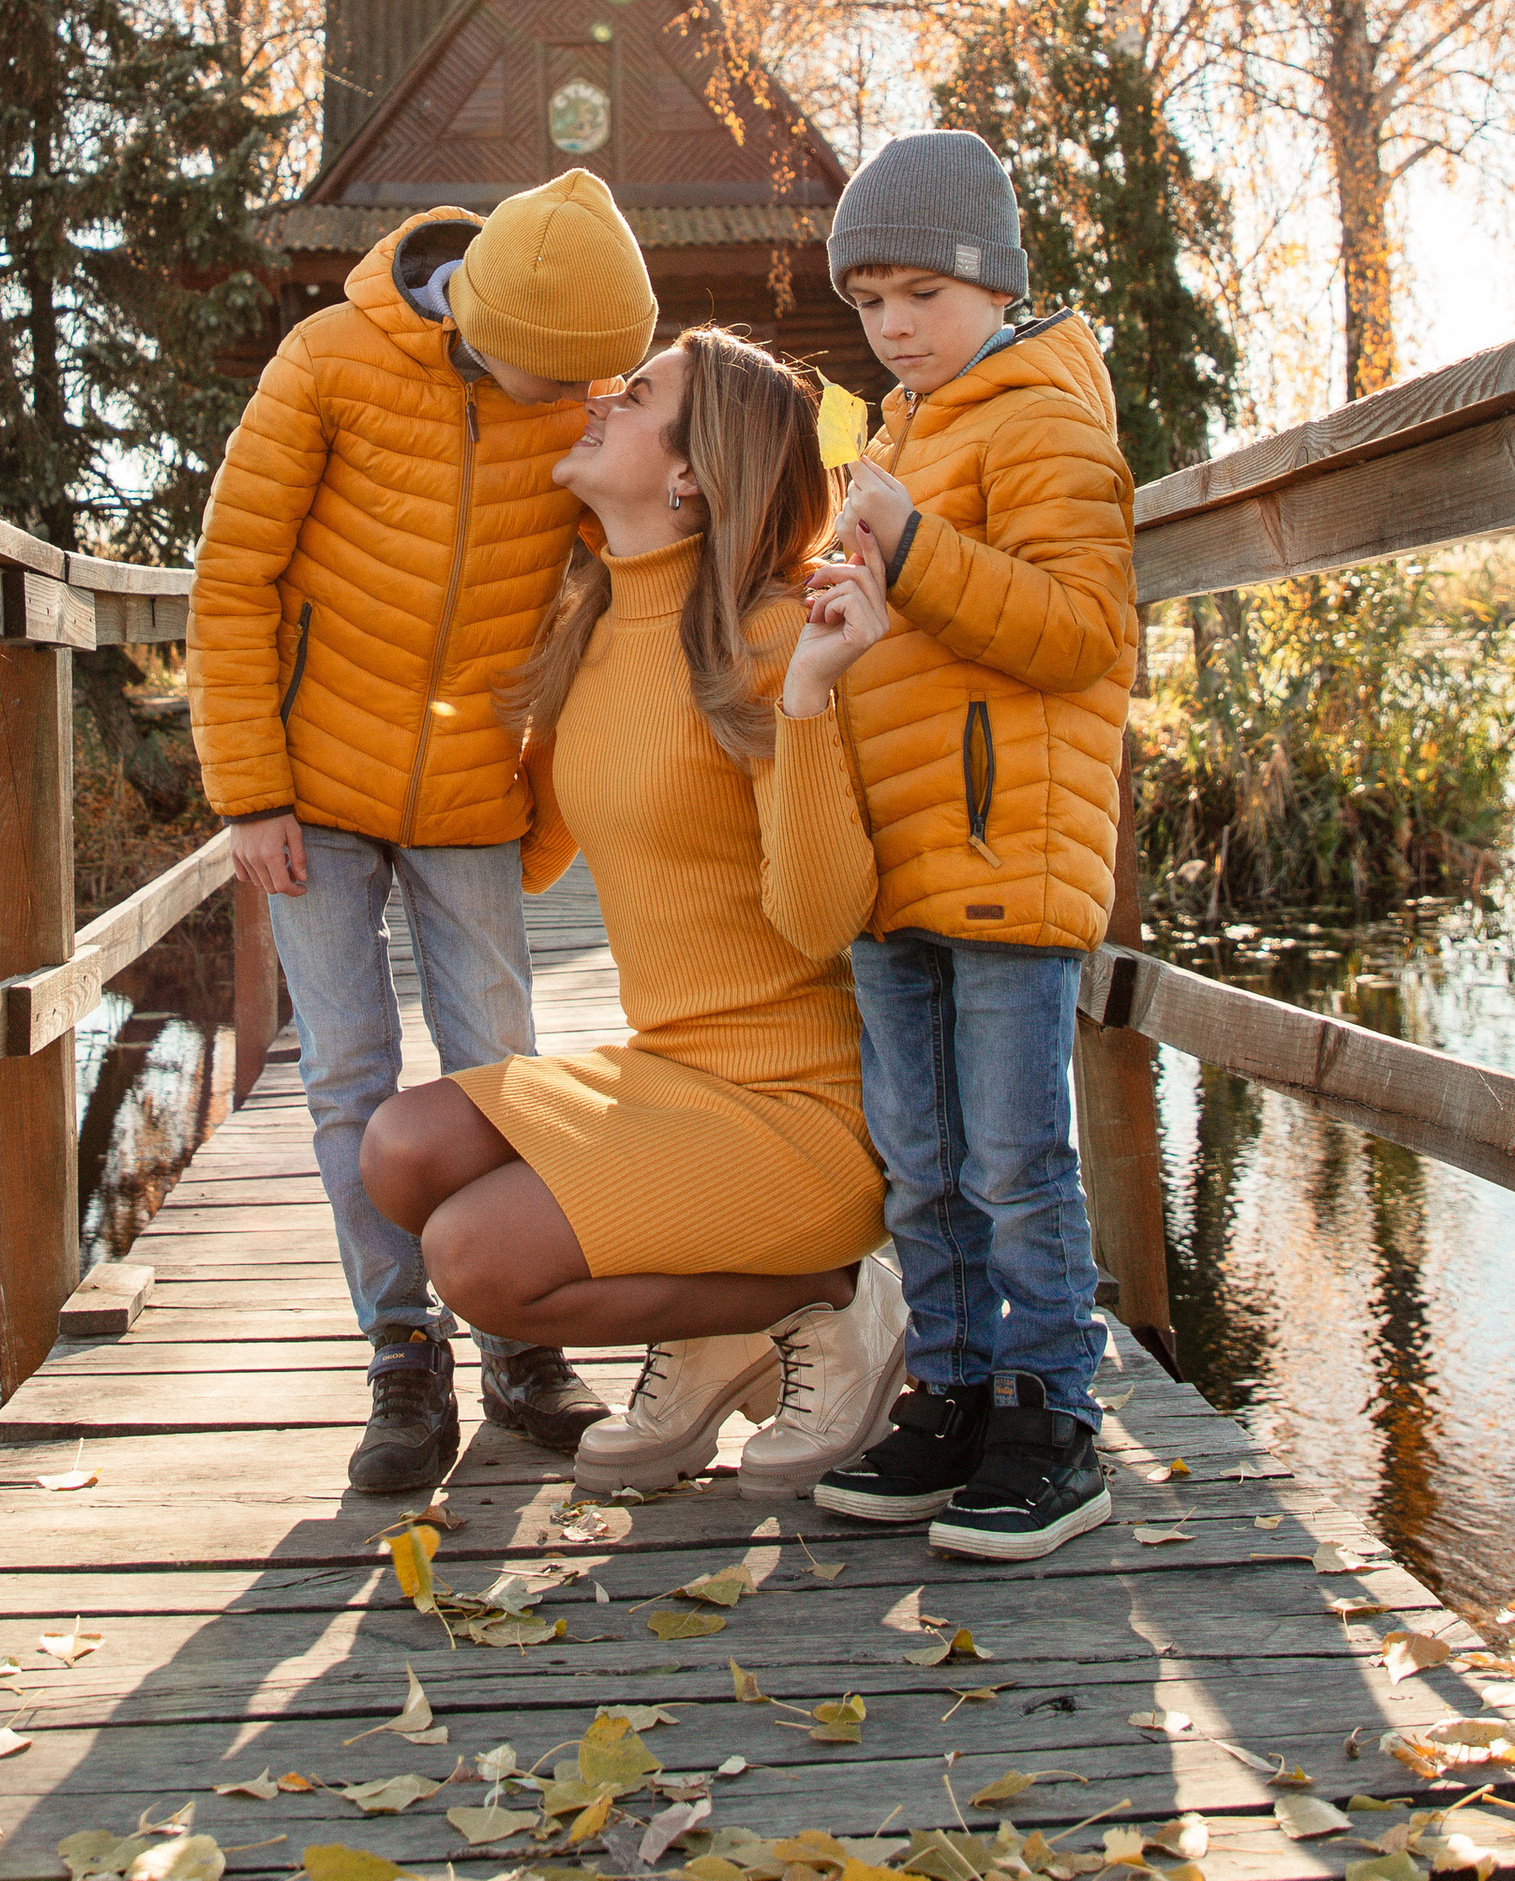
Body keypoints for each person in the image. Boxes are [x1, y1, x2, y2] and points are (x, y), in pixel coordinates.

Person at [360, 327, 909, 1499]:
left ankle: (828, 1296)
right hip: (666, 1070)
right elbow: (532, 859)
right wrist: (295, 802)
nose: (600, 400)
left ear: (691, 474)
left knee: (474, 1256)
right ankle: (717, 1324)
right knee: (402, 1149)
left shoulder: (776, 636)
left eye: (637, 391)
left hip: (801, 1106)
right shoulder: (592, 633)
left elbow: (820, 923)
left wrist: (809, 703)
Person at [187, 168, 658, 1497]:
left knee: (502, 1060)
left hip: (469, 785)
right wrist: (249, 791)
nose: (564, 403)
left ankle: (521, 1338)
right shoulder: (328, 361)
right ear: (481, 320)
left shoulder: (575, 392)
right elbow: (234, 577)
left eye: (588, 385)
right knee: (347, 1070)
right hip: (311, 791)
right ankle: (403, 1352)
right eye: (548, 377)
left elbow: (647, 539)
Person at [802, 127, 1140, 1559]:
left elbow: (1081, 633)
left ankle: (1051, 1416)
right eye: (870, 298)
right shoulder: (898, 430)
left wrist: (918, 544)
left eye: (921, 294)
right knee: (923, 1160)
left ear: (995, 283)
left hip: (1006, 850)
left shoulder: (1048, 417)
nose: (892, 325)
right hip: (899, 856)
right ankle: (946, 1394)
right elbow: (912, 630)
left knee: (1014, 1155)